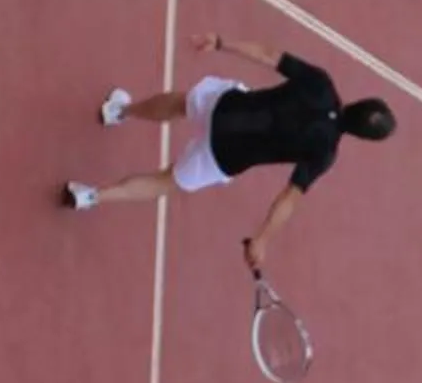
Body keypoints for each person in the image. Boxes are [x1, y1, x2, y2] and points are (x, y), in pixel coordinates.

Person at [62, 34, 396, 273]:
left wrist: (221, 43)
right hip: (224, 157)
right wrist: (262, 239)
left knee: (179, 103)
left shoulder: (321, 84)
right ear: (361, 137)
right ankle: (91, 196)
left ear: (359, 102)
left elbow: (268, 54)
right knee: (165, 182)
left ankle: (121, 111)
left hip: (226, 108)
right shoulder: (325, 152)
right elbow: (289, 198)